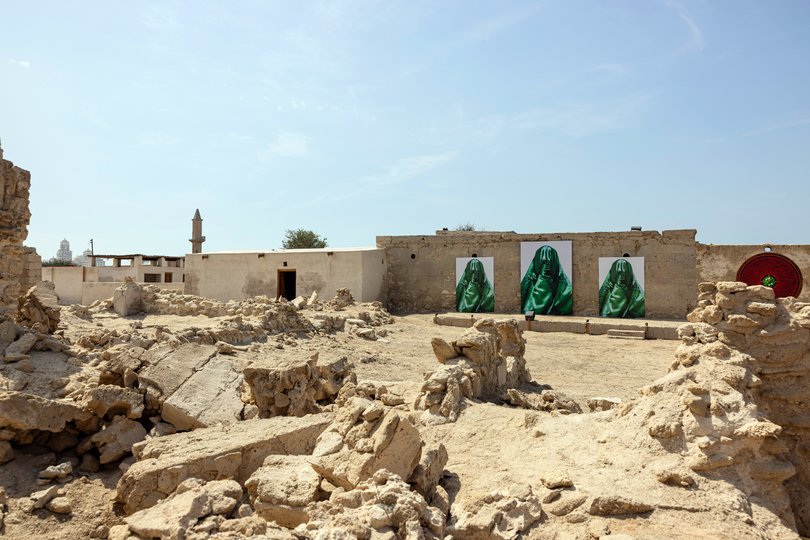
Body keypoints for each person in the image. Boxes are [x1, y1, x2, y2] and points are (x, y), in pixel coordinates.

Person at [520, 245, 573, 315]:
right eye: (543, 264)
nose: (545, 269)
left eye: (549, 264)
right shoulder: (524, 290)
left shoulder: (568, 292)